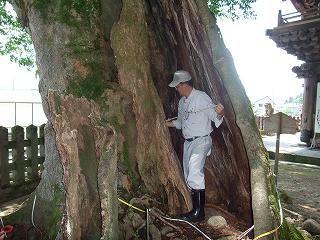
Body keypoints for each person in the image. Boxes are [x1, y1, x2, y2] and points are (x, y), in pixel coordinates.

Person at [166, 70, 224, 222]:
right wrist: (165, 124)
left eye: (177, 86)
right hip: (188, 143)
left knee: (194, 172)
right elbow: (180, 122)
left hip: (201, 141)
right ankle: (194, 209)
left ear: (184, 85)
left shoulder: (201, 97)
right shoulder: (182, 102)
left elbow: (215, 116)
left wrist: (220, 112)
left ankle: (199, 213)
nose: (176, 89)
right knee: (187, 176)